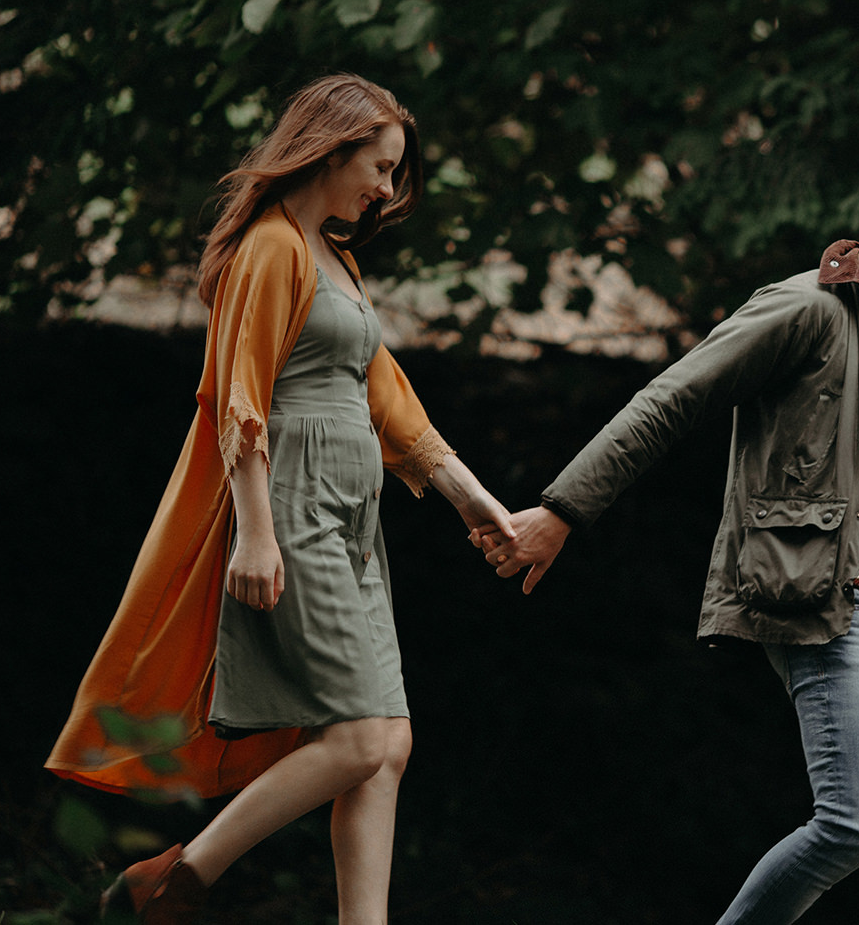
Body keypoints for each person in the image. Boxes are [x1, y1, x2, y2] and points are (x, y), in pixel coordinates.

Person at [481, 129, 859, 925]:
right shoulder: (807, 309)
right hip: (841, 610)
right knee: (855, 823)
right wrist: (561, 510)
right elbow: (672, 399)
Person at [46, 73, 517, 925]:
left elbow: (391, 402)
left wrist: (474, 502)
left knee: (388, 748)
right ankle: (171, 884)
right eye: (378, 166)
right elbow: (240, 398)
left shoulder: (335, 255)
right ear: (330, 148)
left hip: (352, 519)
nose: (384, 188)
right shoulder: (272, 247)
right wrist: (255, 535)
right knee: (359, 736)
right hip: (293, 507)